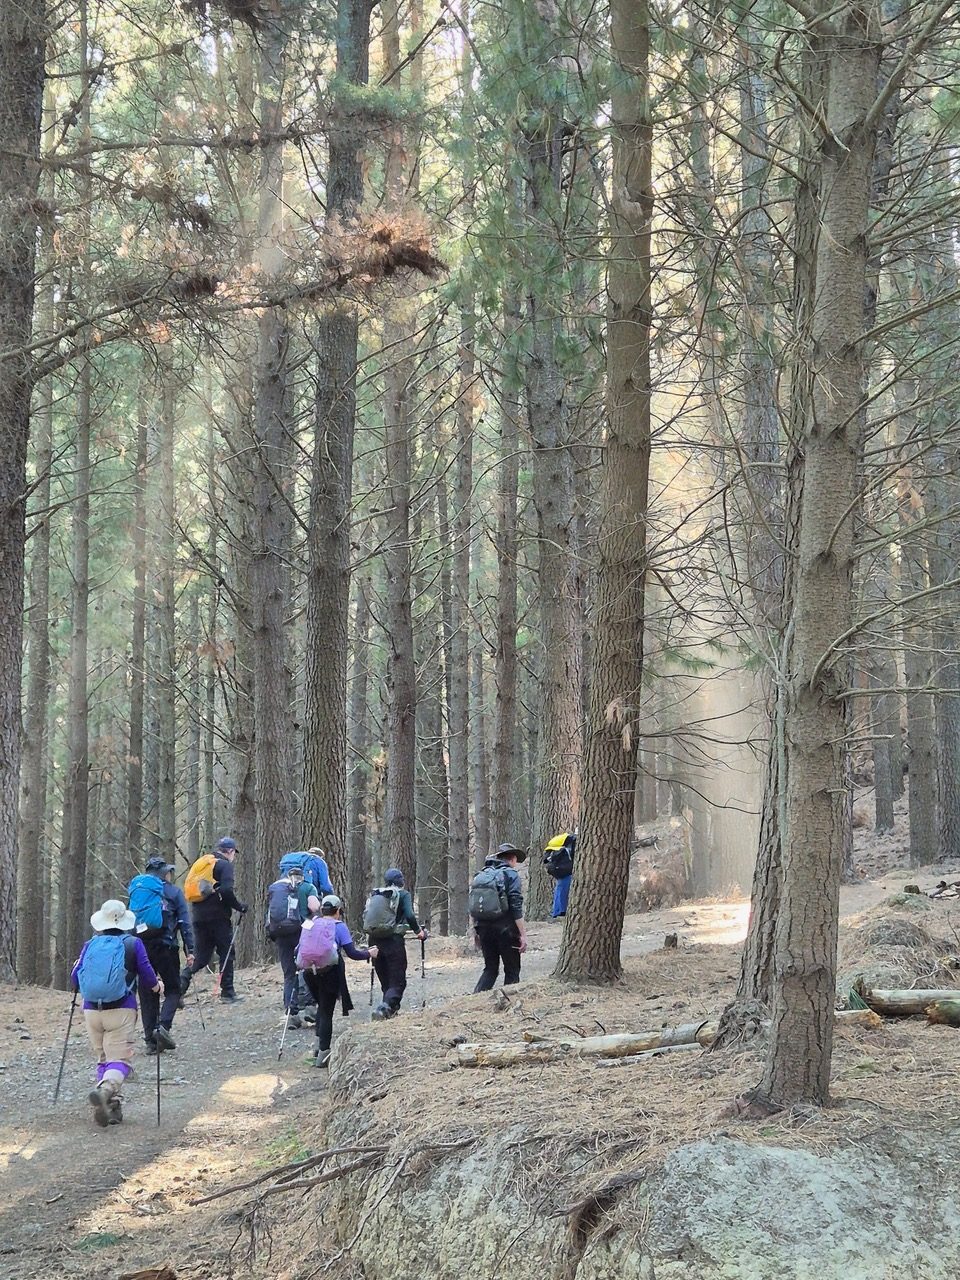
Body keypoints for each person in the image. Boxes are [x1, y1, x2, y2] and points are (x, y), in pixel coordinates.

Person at [71, 898, 162, 1127]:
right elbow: (147, 973)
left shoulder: (90, 944)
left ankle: (111, 1107)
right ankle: (105, 1091)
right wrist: (157, 987)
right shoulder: (133, 943)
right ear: (124, 921)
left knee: (103, 1058)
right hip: (121, 1008)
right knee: (120, 1060)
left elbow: (75, 978)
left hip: (92, 1010)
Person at [299, 895, 377, 1068]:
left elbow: (299, 948)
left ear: (322, 910)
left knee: (321, 1007)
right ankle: (324, 1054)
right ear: (338, 911)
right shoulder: (339, 926)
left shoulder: (311, 922)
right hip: (329, 973)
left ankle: (318, 1048)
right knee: (326, 1011)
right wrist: (369, 954)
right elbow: (352, 953)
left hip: (309, 973)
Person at [129, 856, 195, 1053]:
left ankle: (151, 1042)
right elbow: (184, 923)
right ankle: (163, 1028)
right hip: (167, 947)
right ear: (164, 873)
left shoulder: (139, 891)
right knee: (173, 989)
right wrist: (190, 950)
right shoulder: (174, 892)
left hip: (141, 947)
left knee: (147, 992)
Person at [180, 836, 248, 1003]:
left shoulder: (203, 863)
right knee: (227, 952)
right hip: (218, 917)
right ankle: (228, 993)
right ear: (230, 851)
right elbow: (226, 890)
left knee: (201, 957)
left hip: (198, 916)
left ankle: (179, 987)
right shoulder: (224, 865)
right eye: (234, 853)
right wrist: (239, 906)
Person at [362, 868, 425, 1020]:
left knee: (386, 980)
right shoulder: (403, 895)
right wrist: (418, 931)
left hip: (374, 941)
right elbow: (410, 915)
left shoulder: (376, 894)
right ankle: (384, 1008)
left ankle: (390, 1011)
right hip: (393, 941)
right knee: (398, 981)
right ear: (400, 880)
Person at [266, 863, 320, 1028]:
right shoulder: (308, 887)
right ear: (302, 876)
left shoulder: (279, 889)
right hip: (302, 932)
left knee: (289, 973)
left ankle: (292, 1014)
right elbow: (314, 906)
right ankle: (310, 1007)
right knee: (308, 968)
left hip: (282, 934)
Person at [470, 843, 528, 992]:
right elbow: (515, 905)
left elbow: (474, 906)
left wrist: (476, 931)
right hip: (506, 930)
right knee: (512, 970)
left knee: (490, 969)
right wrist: (522, 934)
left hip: (483, 929)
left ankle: (475, 1000)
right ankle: (509, 1002)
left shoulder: (481, 875)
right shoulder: (511, 874)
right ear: (513, 858)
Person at [544, 832, 576, 918]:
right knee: (563, 890)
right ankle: (560, 912)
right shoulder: (573, 842)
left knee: (559, 889)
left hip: (558, 870)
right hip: (566, 870)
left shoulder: (564, 842)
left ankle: (556, 911)